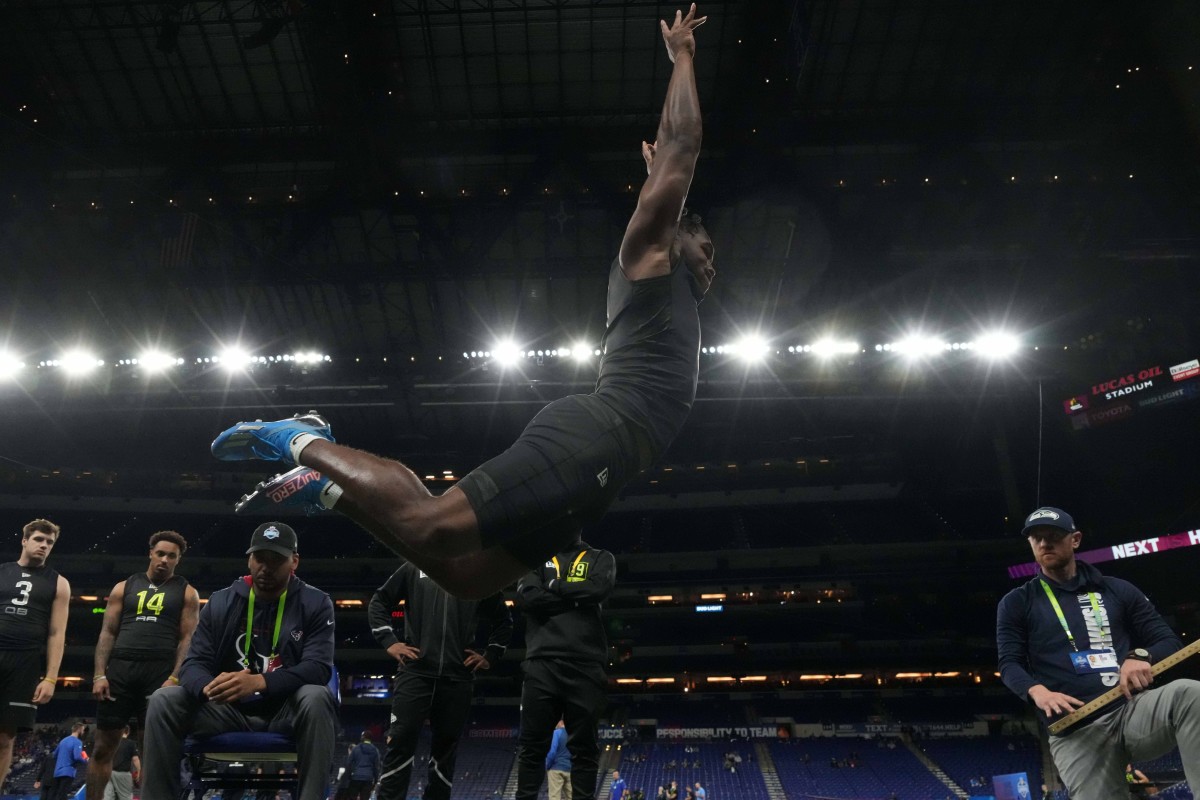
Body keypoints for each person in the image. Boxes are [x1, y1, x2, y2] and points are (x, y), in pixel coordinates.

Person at [211, 2, 714, 600]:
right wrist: (682, 54)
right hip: (597, 433)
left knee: (464, 578)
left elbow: (672, 169)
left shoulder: (670, 278)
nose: (713, 260)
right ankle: (297, 436)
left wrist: (664, 179)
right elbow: (682, 142)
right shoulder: (648, 259)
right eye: (706, 245)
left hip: (612, 471)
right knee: (435, 525)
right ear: (673, 228)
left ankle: (328, 490)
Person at [997, 506, 1200, 797]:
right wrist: (1037, 691)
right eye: (1036, 538)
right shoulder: (1017, 602)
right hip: (1075, 731)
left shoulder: (1118, 590)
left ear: (1075, 539)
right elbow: (1009, 663)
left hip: (1130, 711)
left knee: (1191, 696)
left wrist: (1140, 656)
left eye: (1053, 535)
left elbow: (1168, 641)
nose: (1044, 544)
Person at [141, 522, 337, 800]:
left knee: (316, 696)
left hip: (286, 712)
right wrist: (209, 688)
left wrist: (259, 682)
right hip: (226, 709)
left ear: (294, 561)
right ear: (249, 559)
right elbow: (193, 664)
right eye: (259, 558)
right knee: (163, 699)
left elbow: (318, 668)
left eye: (276, 560)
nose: (265, 567)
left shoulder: (316, 602)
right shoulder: (221, 602)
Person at [368, 560, 512, 800]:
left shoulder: (475, 571)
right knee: (400, 741)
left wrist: (491, 654)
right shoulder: (414, 566)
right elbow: (379, 601)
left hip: (457, 677)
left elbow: (503, 619)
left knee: (446, 750)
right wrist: (389, 641)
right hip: (414, 673)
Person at [87, 530, 200, 800]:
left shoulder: (188, 592)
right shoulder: (124, 586)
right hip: (121, 671)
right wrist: (99, 675)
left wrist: (175, 677)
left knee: (152, 752)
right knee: (103, 748)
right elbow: (107, 633)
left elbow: (187, 639)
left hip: (159, 673)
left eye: (171, 556)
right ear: (150, 553)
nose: (164, 559)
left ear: (178, 560)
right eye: (160, 553)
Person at [513, 538, 616, 800]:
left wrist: (552, 586)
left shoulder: (601, 557)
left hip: (586, 664)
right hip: (541, 663)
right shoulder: (535, 558)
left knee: (585, 750)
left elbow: (598, 589)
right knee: (532, 748)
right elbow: (527, 598)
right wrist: (577, 598)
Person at [0, 519, 71, 789]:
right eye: (39, 539)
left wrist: (51, 678)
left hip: (25, 661)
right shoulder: (2, 572)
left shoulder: (59, 583)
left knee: (5, 737)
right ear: (24, 540)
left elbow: (57, 634)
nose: (44, 545)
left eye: (49, 542)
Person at [49, 722, 88, 800]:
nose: (83, 733)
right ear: (79, 730)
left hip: (57, 772)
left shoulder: (63, 741)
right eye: (83, 730)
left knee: (57, 795)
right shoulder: (77, 742)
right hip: (68, 772)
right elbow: (77, 757)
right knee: (63, 795)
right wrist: (86, 760)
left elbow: (54, 755)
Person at [101, 726, 140, 800]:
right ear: (128, 732)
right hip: (122, 774)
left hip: (108, 773)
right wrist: (139, 771)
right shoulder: (130, 743)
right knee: (126, 797)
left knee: (108, 797)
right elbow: (135, 759)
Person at [344, 733, 381, 800]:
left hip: (356, 777)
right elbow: (376, 767)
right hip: (368, 779)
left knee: (352, 797)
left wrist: (349, 776)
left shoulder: (356, 748)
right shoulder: (375, 750)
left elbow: (349, 763)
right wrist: (376, 780)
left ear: (362, 737)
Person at [545, 720, 572, 800]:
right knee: (572, 797)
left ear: (560, 722)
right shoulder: (572, 734)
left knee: (554, 797)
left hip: (556, 768)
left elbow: (552, 752)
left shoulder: (556, 733)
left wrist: (548, 766)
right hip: (570, 769)